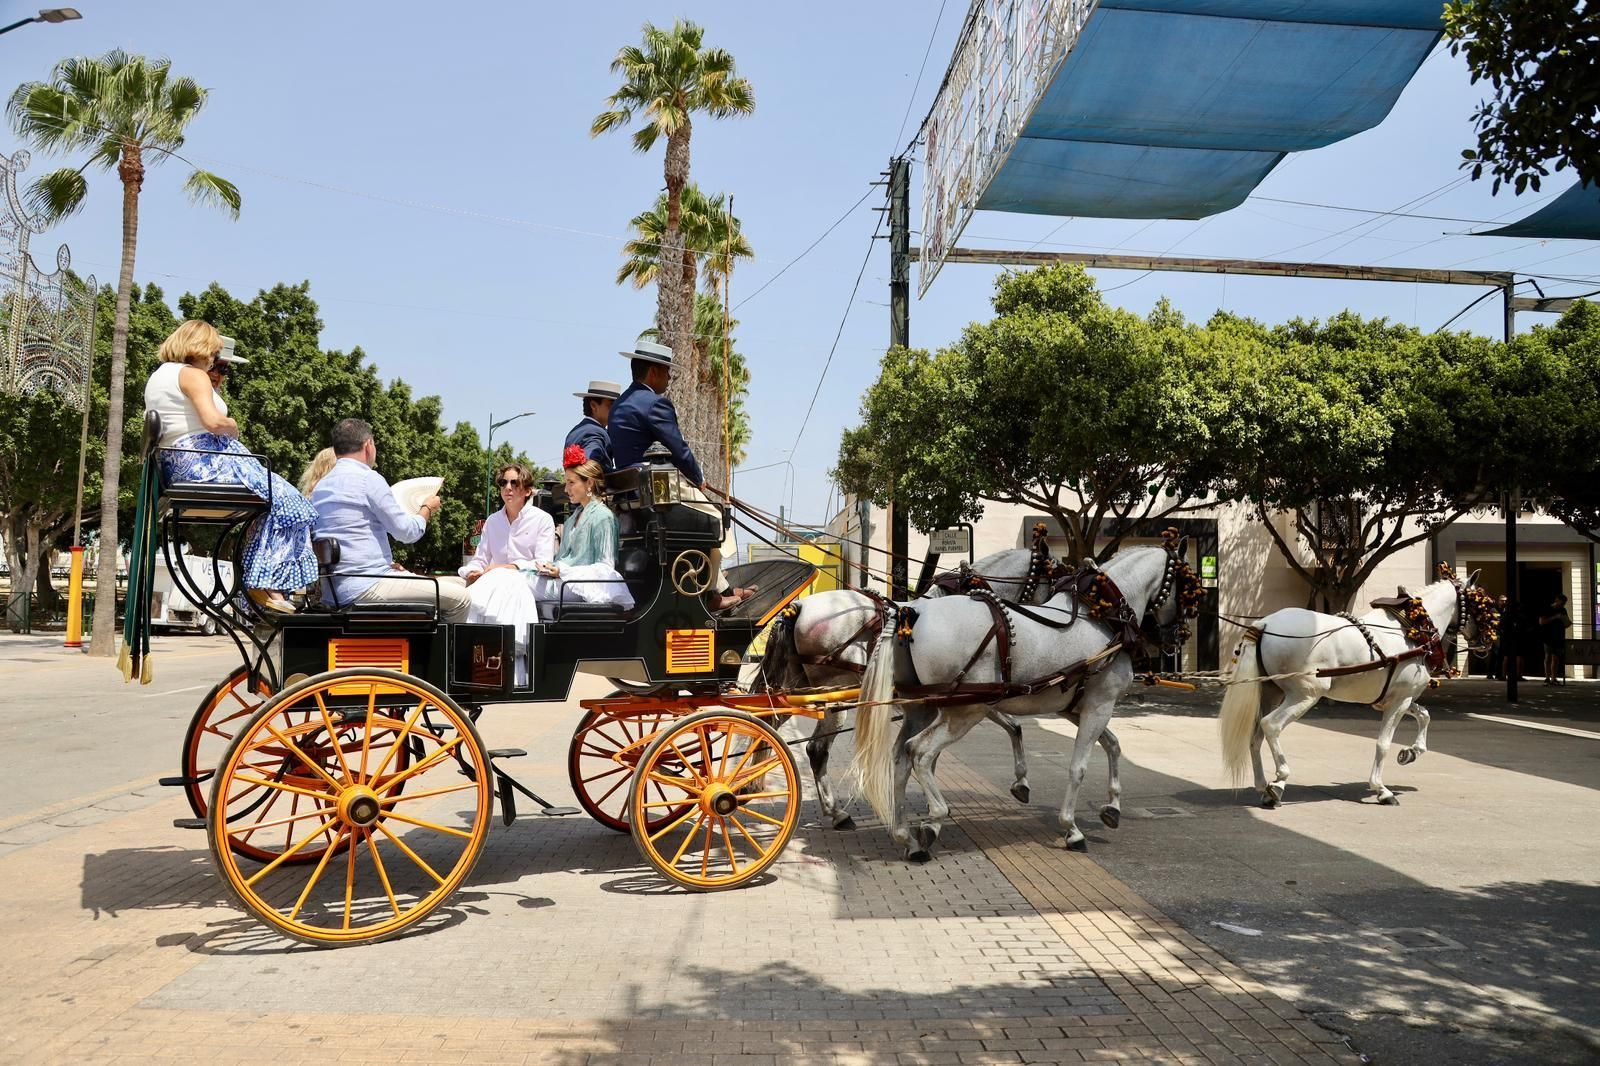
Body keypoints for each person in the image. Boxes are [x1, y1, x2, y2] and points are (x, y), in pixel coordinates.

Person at [143, 320, 317, 614]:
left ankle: (263, 584)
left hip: (177, 464)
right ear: (198, 346)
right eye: (213, 352)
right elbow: (212, 421)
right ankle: (265, 584)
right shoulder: (192, 374)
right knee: (293, 503)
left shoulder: (159, 376)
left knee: (275, 506)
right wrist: (232, 426)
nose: (214, 360)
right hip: (205, 462)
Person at [608, 340, 751, 611]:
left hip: (632, 494)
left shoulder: (619, 406)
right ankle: (712, 594)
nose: (670, 378)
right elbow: (678, 448)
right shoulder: (654, 404)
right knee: (715, 517)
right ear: (653, 372)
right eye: (667, 372)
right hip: (656, 491)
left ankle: (721, 585)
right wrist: (698, 478)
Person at [308, 417, 470, 622]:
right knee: (461, 598)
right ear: (368, 445)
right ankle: (442, 654)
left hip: (335, 590)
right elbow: (408, 533)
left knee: (458, 584)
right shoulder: (368, 479)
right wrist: (426, 508)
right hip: (367, 585)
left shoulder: (321, 487)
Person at [528, 447, 634, 610]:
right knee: (512, 577)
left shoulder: (604, 517)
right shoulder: (572, 519)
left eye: (571, 482)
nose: (566, 489)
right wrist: (552, 568)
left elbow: (605, 568)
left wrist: (562, 571)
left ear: (589, 483)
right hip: (562, 582)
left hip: (580, 587)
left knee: (518, 585)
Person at [565, 379, 620, 472]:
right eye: (611, 405)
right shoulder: (595, 432)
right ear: (594, 406)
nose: (616, 410)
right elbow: (589, 465)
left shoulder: (574, 431)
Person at [1540, 594, 1571, 686]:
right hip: (1548, 636)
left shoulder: (1563, 610)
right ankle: (1547, 677)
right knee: (1548, 656)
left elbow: (1566, 623)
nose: (1562, 605)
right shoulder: (1547, 609)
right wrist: (1555, 617)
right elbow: (1541, 622)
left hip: (1559, 636)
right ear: (1556, 600)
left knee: (1556, 657)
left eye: (1564, 604)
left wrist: (1567, 622)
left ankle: (1554, 678)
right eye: (1561, 603)